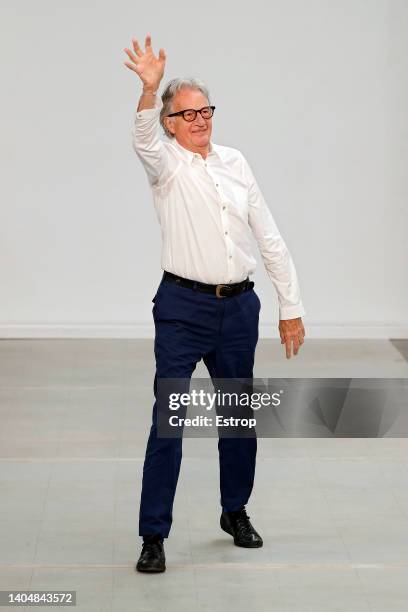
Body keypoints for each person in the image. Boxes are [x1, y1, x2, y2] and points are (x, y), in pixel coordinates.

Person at [124, 33, 306, 573]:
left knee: (237, 417)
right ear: (171, 123)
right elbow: (142, 139)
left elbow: (268, 235)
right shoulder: (167, 165)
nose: (201, 120)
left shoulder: (235, 161)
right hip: (183, 307)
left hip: (238, 310)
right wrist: (149, 89)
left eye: (206, 110)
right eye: (188, 113)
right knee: (170, 420)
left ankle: (235, 511)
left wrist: (288, 305)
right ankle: (153, 534)